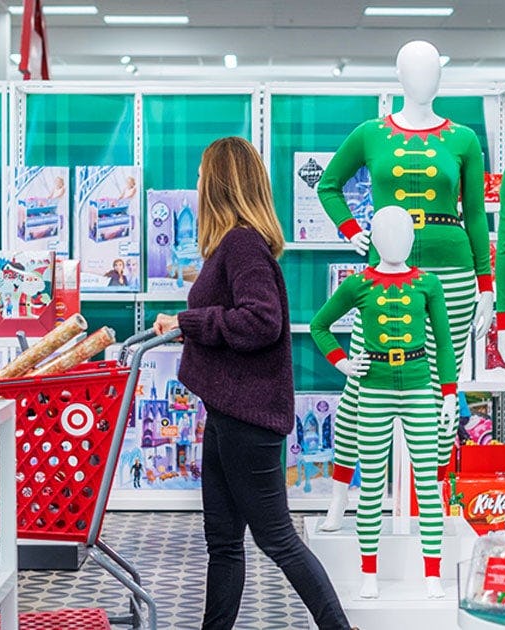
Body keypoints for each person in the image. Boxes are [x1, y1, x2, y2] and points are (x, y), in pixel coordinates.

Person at [154, 137, 352, 630]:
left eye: (202, 177)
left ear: (220, 183)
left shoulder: (241, 244)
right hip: (229, 414)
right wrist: (185, 324)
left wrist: (192, 323)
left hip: (249, 419)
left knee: (277, 538)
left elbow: (262, 321)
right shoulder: (234, 245)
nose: (196, 187)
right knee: (222, 541)